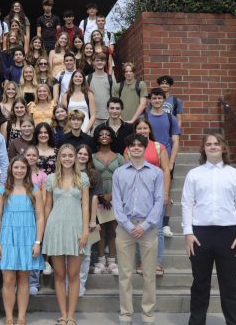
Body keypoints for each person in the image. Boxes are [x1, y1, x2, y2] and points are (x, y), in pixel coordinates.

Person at [182, 134, 236, 325]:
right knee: (200, 284)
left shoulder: (235, 175)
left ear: (223, 148)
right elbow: (187, 204)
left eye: (216, 144)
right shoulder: (194, 174)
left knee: (229, 286)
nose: (212, 147)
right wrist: (188, 233)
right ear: (203, 148)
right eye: (208, 144)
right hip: (200, 235)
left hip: (229, 235)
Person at [112, 134, 164, 325]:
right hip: (125, 226)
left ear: (145, 148)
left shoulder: (156, 173)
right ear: (127, 149)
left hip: (148, 227)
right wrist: (128, 225)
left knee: (149, 273)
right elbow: (116, 203)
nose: (136, 148)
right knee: (125, 273)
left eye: (139, 145)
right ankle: (126, 313)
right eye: (132, 145)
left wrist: (144, 225)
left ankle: (148, 314)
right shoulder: (119, 173)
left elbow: (159, 201)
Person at [0, 155, 45, 325]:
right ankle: (9, 316)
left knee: (24, 278)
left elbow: (40, 217)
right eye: (16, 167)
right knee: (8, 279)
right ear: (11, 170)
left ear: (27, 170)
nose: (19, 170)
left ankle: (21, 316)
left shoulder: (34, 190)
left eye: (23, 167)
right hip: (8, 238)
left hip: (28, 238)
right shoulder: (2, 190)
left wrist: (37, 242)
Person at [42, 144, 90, 325]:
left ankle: (72, 315)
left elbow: (85, 205)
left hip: (76, 228)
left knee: (74, 274)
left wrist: (85, 230)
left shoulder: (82, 178)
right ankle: (63, 315)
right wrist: (45, 231)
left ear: (75, 158)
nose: (68, 158)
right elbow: (47, 207)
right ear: (59, 158)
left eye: (71, 155)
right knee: (60, 275)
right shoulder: (51, 179)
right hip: (55, 228)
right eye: (64, 155)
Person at [128, 118, 172, 277]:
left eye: (145, 128)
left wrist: (165, 192)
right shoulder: (129, 149)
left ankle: (157, 262)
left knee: (157, 229)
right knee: (139, 229)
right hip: (137, 196)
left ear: (149, 129)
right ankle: (142, 263)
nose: (142, 131)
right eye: (139, 128)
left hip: (156, 194)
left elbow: (166, 170)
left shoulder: (158, 147)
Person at [144, 88, 181, 238]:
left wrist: (171, 161)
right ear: (150, 100)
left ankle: (165, 224)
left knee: (166, 192)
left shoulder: (170, 118)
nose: (157, 100)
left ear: (164, 100)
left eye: (160, 98)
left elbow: (176, 141)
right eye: (154, 98)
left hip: (165, 159)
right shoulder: (145, 117)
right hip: (148, 158)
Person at [91, 125, 125, 276]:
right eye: (101, 134)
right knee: (100, 230)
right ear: (97, 138)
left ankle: (112, 261)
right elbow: (89, 177)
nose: (104, 136)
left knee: (113, 229)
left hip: (115, 197)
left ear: (111, 138)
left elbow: (125, 178)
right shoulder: (91, 157)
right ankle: (100, 261)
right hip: (97, 199)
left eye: (107, 134)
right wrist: (99, 195)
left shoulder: (119, 157)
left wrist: (112, 194)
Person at [75, 144, 102, 296]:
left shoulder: (94, 174)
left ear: (89, 157)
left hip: (88, 216)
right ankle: (69, 282)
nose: (82, 156)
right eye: (80, 153)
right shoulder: (69, 172)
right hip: (70, 215)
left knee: (85, 254)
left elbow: (95, 197)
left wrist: (93, 220)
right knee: (70, 252)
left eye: (86, 154)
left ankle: (81, 284)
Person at [24, 145, 49, 293]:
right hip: (21, 213)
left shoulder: (43, 176)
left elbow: (44, 198)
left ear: (38, 158)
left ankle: (33, 281)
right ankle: (20, 281)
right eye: (29, 155)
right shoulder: (19, 172)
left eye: (34, 155)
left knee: (35, 247)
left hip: (35, 215)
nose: (31, 158)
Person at [87, 53, 115, 127]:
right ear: (93, 62)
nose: (100, 62)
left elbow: (115, 98)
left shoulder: (111, 79)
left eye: (102, 60)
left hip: (108, 117)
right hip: (93, 118)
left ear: (105, 62)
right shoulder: (87, 78)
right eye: (97, 60)